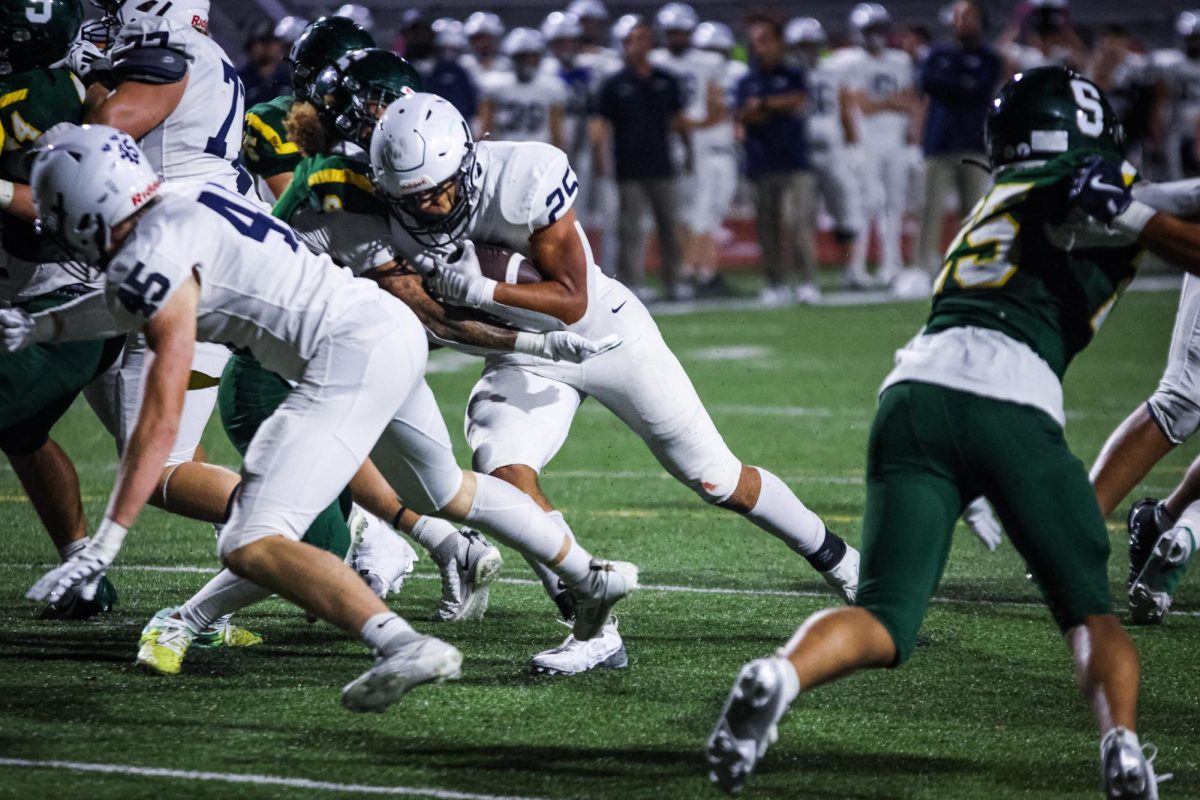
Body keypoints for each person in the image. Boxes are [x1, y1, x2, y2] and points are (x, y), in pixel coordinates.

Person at [21, 124, 638, 703]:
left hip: (339, 359)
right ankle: (588, 574)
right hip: (386, 331)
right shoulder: (183, 200)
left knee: (252, 537)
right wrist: (41, 326)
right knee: (444, 491)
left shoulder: (149, 254)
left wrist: (103, 543)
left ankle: (402, 644)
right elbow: (131, 297)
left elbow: (158, 416)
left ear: (84, 207)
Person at [706, 66, 1168, 798]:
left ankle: (782, 672)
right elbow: (1161, 227)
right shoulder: (1098, 188)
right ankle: (1123, 747)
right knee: (1088, 611)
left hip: (912, 395)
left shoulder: (1000, 195)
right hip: (1010, 399)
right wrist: (1138, 216)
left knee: (885, 616)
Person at [369, 92, 859, 676]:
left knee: (717, 478)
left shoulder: (524, 176)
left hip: (606, 337)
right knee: (504, 473)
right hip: (523, 355)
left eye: (437, 191)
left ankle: (844, 563)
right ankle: (592, 631)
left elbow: (572, 303)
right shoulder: (377, 216)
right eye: (412, 198)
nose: (427, 208)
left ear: (468, 164)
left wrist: (479, 291)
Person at [0, 0, 123, 619]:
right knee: (22, 431)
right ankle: (83, 571)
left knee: (171, 471)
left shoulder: (48, 96)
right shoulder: (66, 85)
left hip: (72, 300)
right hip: (40, 298)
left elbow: (61, 203)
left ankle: (306, 535)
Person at [592, 16, 691, 300]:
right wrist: (601, 160)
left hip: (663, 164)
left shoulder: (665, 79)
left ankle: (675, 281)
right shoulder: (614, 83)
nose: (638, 45)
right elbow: (600, 125)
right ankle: (632, 283)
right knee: (631, 230)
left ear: (651, 42)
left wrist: (688, 152)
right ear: (623, 45)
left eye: (643, 39)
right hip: (629, 166)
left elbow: (678, 120)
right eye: (632, 40)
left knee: (670, 227)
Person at [914, 0, 1000, 282]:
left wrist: (951, 82)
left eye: (969, 16)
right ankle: (923, 270)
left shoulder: (990, 57)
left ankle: (973, 267)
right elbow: (928, 82)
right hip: (938, 144)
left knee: (974, 212)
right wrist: (962, 82)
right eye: (958, 16)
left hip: (973, 145)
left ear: (981, 21)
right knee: (929, 211)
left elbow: (978, 88)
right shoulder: (937, 53)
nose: (962, 21)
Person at [835, 3, 920, 289]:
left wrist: (887, 103)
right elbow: (864, 105)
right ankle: (856, 268)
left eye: (878, 29)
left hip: (895, 141)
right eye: (870, 30)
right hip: (866, 143)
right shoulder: (851, 61)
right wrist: (891, 102)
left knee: (894, 206)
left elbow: (909, 101)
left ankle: (890, 265)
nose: (875, 36)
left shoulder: (900, 60)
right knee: (865, 205)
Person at [736, 16, 818, 306]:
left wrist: (766, 104)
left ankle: (807, 281)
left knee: (797, 224)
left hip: (794, 160)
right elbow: (743, 116)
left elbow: (798, 100)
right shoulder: (747, 80)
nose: (761, 47)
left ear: (779, 43)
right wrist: (773, 107)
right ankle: (775, 283)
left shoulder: (794, 74)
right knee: (767, 227)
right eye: (756, 42)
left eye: (765, 40)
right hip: (761, 161)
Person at [650, 4, 728, 299]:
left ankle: (692, 270)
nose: (677, 38)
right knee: (675, 212)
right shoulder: (654, 60)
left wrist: (691, 125)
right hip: (664, 143)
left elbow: (718, 107)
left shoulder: (707, 62)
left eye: (682, 32)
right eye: (672, 32)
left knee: (699, 211)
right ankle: (685, 271)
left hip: (698, 143)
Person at [785, 16, 866, 289]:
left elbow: (844, 107)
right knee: (802, 217)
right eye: (802, 45)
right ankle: (807, 278)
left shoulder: (834, 70)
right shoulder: (788, 73)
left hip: (832, 149)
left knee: (845, 210)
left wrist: (852, 144)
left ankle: (851, 269)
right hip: (800, 152)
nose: (807, 50)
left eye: (811, 44)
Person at [478, 28, 567, 149]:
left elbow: (557, 131)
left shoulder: (551, 87)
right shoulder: (496, 85)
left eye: (533, 57)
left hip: (540, 152)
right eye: (522, 57)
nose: (528, 62)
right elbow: (486, 127)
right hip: (505, 150)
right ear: (512, 58)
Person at [237, 21, 290, 109]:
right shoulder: (239, 79)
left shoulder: (286, 80)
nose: (265, 48)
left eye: (269, 43)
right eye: (264, 42)